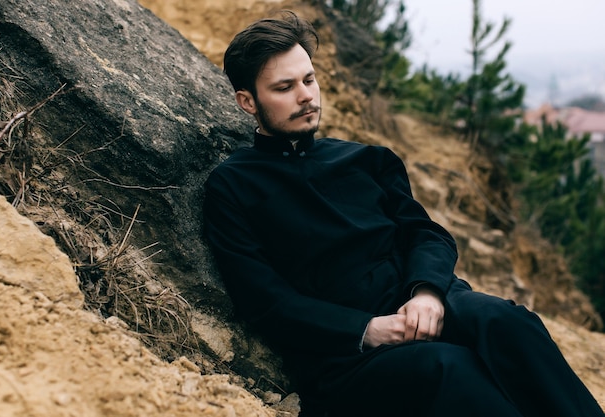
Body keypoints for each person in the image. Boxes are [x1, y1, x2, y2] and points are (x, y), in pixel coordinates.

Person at [203, 11, 604, 417]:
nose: (306, 95)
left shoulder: (367, 159)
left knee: (507, 322)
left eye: (309, 80)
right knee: (451, 368)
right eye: (285, 87)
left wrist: (426, 293)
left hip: (420, 301)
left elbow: (426, 235)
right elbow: (265, 301)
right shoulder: (233, 187)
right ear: (247, 101)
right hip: (348, 356)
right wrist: (367, 330)